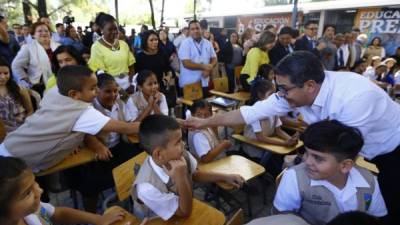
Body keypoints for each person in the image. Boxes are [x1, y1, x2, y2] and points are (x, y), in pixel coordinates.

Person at [185, 51, 400, 224]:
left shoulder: (354, 98)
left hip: (393, 150)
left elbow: (340, 149)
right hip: (358, 150)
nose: (279, 95)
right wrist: (204, 123)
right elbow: (249, 113)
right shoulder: (292, 93)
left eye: (283, 89)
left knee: (392, 202)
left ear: (309, 85)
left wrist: (302, 165)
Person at [0, 65, 140, 172]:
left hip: (10, 145)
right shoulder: (82, 113)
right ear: (74, 94)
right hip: (16, 160)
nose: (97, 91)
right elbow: (126, 128)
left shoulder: (55, 91)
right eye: (92, 88)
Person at [131, 115, 245, 220]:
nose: (184, 144)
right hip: (159, 219)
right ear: (159, 154)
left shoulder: (180, 154)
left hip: (183, 204)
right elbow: (185, 212)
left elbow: (195, 174)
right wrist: (181, 177)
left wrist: (225, 177)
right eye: (178, 142)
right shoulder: (147, 187)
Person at [273, 120, 387, 225]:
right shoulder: (295, 177)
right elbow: (282, 218)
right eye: (306, 152)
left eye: (318, 158)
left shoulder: (368, 181)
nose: (306, 161)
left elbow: (374, 216)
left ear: (345, 165)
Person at [66, 73, 140, 212]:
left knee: (139, 161)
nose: (113, 95)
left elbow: (128, 125)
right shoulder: (89, 108)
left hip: (117, 147)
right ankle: (92, 216)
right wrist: (98, 146)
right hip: (96, 153)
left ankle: (133, 200)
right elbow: (84, 134)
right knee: (90, 184)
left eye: (115, 91)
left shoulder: (120, 102)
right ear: (97, 91)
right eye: (108, 91)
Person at [0, 156, 127, 225]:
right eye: (27, 193)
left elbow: (57, 214)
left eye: (35, 183)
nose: (39, 191)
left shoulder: (33, 211)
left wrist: (97, 219)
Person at [243, 79, 297, 175]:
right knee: (278, 168)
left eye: (275, 93)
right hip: (255, 149)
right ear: (260, 95)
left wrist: (290, 139)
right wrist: (284, 143)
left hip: (269, 146)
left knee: (286, 160)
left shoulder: (273, 109)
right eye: (270, 94)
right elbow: (260, 137)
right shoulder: (254, 111)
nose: (274, 97)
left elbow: (278, 131)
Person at [88, 13, 135, 90]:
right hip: (110, 86)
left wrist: (131, 83)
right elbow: (102, 73)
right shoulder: (96, 47)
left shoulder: (123, 44)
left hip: (128, 83)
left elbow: (131, 66)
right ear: (102, 30)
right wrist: (119, 90)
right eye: (110, 29)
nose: (114, 32)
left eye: (115, 28)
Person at [11, 22, 60, 95]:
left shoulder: (58, 46)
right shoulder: (28, 48)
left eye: (46, 31)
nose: (44, 33)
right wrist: (26, 79)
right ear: (33, 34)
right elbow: (15, 65)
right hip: (40, 86)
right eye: (40, 31)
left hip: (59, 82)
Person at [178, 20, 217, 96]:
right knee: (190, 107)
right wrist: (205, 67)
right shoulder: (185, 43)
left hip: (204, 82)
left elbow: (214, 58)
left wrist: (210, 67)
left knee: (204, 106)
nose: (195, 31)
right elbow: (186, 63)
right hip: (189, 84)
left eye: (197, 28)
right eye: (192, 29)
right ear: (189, 31)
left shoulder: (207, 43)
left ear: (201, 29)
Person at [0, 57, 33, 133]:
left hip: (23, 128)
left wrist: (26, 127)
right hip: (3, 133)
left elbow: (30, 110)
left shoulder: (19, 89)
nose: (3, 77)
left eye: (6, 73)